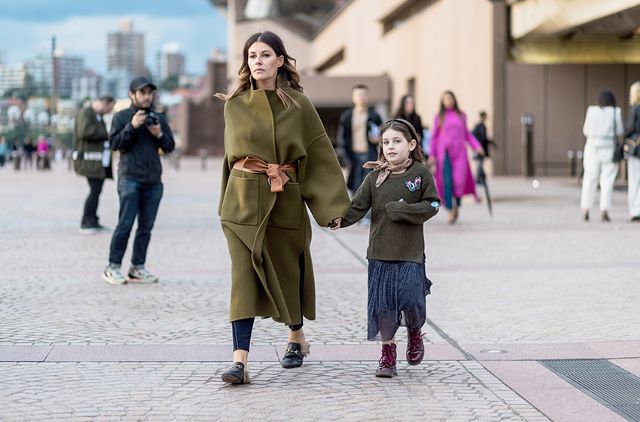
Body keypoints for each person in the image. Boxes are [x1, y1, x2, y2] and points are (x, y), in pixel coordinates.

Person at [215, 31, 350, 385]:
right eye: (251, 56)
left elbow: (320, 155)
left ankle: (296, 337)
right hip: (242, 204)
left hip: (284, 199)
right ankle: (239, 361)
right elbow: (230, 161)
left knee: (288, 270)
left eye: (265, 55)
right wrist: (224, 205)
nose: (257, 61)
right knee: (242, 277)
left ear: (280, 60)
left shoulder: (299, 105)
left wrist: (331, 206)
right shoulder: (234, 104)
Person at [333, 118, 440, 377]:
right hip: (380, 253)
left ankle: (415, 333)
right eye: (386, 142)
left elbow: (433, 205)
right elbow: (357, 207)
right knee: (383, 307)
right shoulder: (374, 178)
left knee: (412, 300)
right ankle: (387, 355)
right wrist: (338, 219)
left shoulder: (420, 173)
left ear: (412, 144)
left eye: (397, 141)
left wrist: (404, 209)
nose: (390, 147)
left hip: (410, 253)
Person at [102, 77, 175, 285]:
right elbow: (115, 144)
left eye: (149, 93)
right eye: (142, 92)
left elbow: (170, 147)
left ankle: (137, 268)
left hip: (153, 181)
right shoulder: (121, 117)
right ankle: (112, 267)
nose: (146, 96)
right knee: (125, 224)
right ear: (132, 94)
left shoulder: (158, 118)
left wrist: (158, 133)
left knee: (146, 228)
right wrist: (132, 127)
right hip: (129, 178)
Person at [428, 91, 484, 224]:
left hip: (460, 153)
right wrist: (432, 155)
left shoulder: (461, 115)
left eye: (450, 98)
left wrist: (477, 146)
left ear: (454, 99)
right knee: (447, 182)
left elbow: (467, 134)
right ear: (442, 101)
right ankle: (451, 209)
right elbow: (434, 138)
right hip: (445, 153)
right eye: (445, 99)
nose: (448, 100)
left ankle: (456, 205)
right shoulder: (439, 117)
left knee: (459, 181)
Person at [73, 95, 116, 234]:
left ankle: (93, 220)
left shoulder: (98, 116)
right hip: (89, 160)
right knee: (94, 191)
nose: (109, 111)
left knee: (96, 191)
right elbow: (84, 131)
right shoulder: (86, 112)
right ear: (104, 103)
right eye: (110, 108)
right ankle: (86, 221)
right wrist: (107, 134)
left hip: (98, 161)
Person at [580, 89, 623, 222]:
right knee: (608, 179)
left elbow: (585, 130)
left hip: (592, 146)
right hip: (609, 147)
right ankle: (604, 209)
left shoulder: (591, 111)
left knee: (589, 178)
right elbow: (620, 130)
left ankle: (586, 209)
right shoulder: (615, 112)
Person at [337, 84, 383, 193]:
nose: (361, 97)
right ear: (353, 97)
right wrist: (345, 158)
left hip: (370, 155)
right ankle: (357, 209)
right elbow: (341, 139)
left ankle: (370, 210)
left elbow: (383, 135)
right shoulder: (347, 116)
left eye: (364, 94)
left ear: (368, 96)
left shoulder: (374, 116)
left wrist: (378, 141)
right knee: (355, 188)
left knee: (371, 187)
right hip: (353, 157)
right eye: (358, 94)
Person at [625, 82, 640, 222]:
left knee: (634, 181)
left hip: (636, 150)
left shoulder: (635, 109)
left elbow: (629, 129)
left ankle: (634, 211)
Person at [471, 111, 493, 185]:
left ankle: (481, 177)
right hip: (480, 148)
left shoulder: (481, 126)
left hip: (481, 148)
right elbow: (480, 138)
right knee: (480, 164)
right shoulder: (480, 126)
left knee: (480, 164)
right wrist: (478, 147)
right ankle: (478, 179)